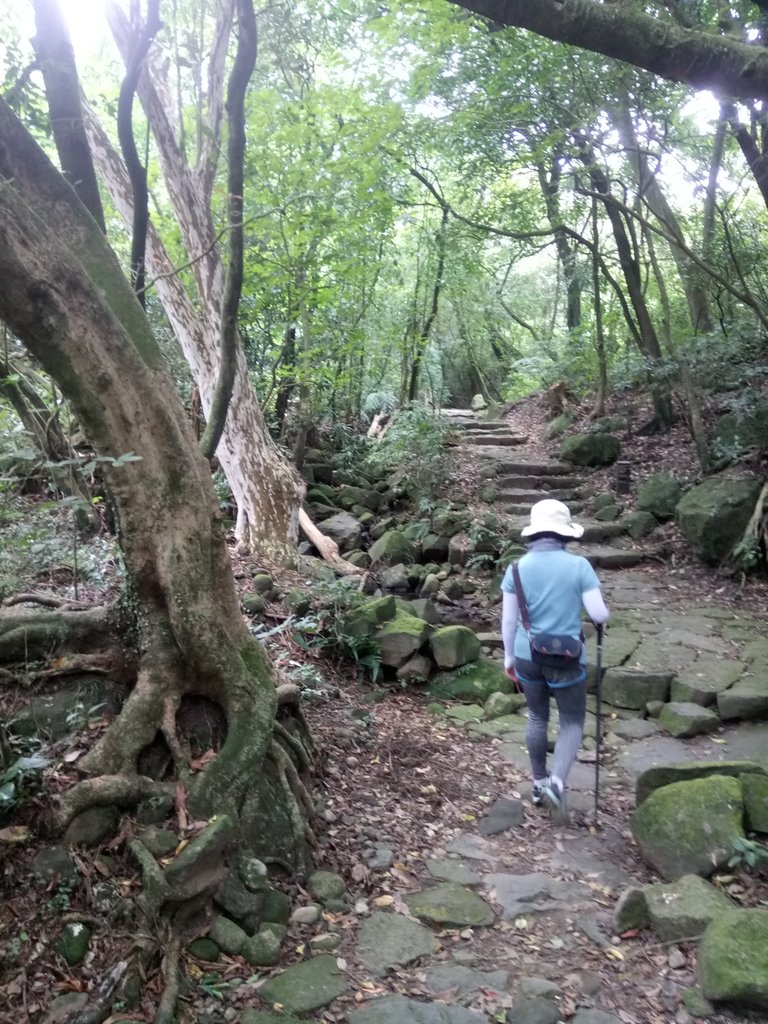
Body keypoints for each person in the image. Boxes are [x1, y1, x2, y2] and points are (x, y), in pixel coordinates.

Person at [500, 499, 610, 822]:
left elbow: (507, 622)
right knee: (572, 721)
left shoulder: (516, 568)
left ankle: (537, 783)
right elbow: (599, 614)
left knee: (536, 716)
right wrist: (606, 613)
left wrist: (508, 657)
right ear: (564, 534)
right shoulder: (579, 567)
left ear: (535, 534)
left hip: (526, 654)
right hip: (568, 658)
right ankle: (557, 784)